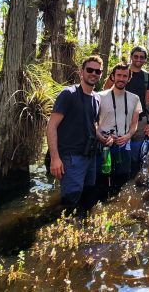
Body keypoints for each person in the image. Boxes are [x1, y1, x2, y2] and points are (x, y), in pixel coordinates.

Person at [47, 55, 106, 214]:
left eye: (98, 71)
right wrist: (55, 158)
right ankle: (62, 231)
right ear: (81, 72)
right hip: (71, 157)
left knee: (87, 196)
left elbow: (92, 125)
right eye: (90, 70)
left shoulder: (96, 98)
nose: (94, 73)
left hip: (90, 156)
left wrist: (103, 138)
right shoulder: (69, 94)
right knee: (70, 200)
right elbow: (51, 126)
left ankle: (81, 232)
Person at [94, 62, 142, 198]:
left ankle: (117, 212)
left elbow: (134, 124)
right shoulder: (99, 96)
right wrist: (100, 136)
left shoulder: (134, 98)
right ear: (113, 77)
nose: (121, 79)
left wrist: (128, 136)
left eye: (124, 76)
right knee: (101, 184)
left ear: (129, 78)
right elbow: (93, 122)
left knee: (120, 184)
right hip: (104, 145)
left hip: (123, 145)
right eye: (119, 75)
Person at [116, 46, 149, 175]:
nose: (139, 59)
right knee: (119, 153)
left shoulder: (147, 77)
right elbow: (107, 91)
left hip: (140, 120)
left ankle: (134, 180)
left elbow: (147, 101)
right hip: (120, 119)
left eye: (142, 57)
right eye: (136, 56)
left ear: (145, 60)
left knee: (137, 155)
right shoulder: (122, 71)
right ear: (131, 56)